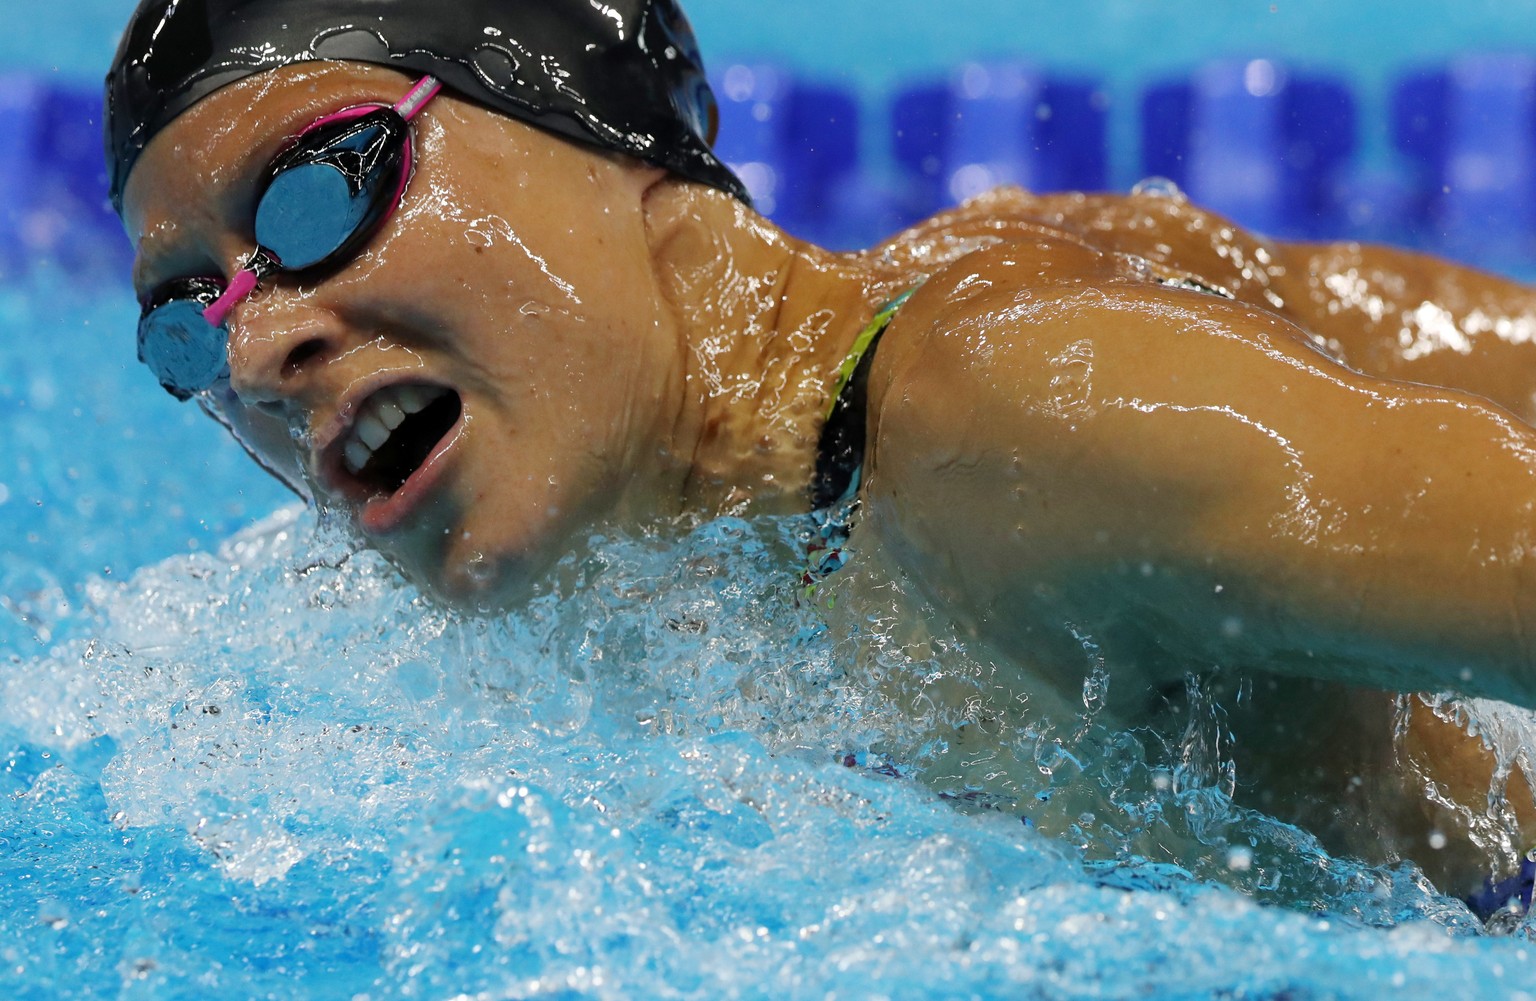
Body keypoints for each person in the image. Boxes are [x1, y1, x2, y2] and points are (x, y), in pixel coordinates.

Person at [106, 0, 1536, 905]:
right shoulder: (721, 521)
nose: (250, 354)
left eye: (315, 194)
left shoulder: (1019, 426)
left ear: (589, 126)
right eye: (185, 319)